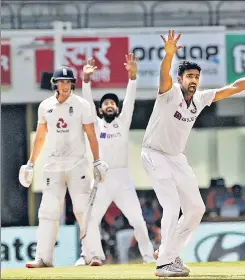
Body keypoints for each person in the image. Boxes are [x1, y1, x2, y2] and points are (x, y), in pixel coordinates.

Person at [141, 30, 245, 277]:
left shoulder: (201, 98)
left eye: (196, 76)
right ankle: (163, 264)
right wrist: (169, 55)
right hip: (153, 154)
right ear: (180, 78)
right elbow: (164, 75)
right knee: (172, 206)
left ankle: (169, 253)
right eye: (189, 76)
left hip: (176, 157)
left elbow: (235, 87)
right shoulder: (169, 93)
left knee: (196, 208)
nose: (193, 80)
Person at [18, 66, 108, 268]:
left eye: (68, 82)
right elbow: (40, 136)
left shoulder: (82, 105)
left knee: (83, 208)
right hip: (53, 164)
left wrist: (97, 160)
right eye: (62, 82)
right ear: (55, 84)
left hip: (77, 163)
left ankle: (93, 255)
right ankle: (43, 258)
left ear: (72, 84)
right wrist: (31, 163)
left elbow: (91, 135)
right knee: (48, 210)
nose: (65, 85)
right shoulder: (45, 106)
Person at [74, 53, 155, 266]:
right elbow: (86, 102)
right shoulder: (96, 123)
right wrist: (86, 80)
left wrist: (133, 76)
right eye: (105, 103)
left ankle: (148, 257)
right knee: (90, 220)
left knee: (137, 220)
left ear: (117, 108)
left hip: (122, 178)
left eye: (112, 103)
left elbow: (131, 98)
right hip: (101, 180)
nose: (109, 105)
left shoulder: (123, 121)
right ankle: (93, 256)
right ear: (100, 109)